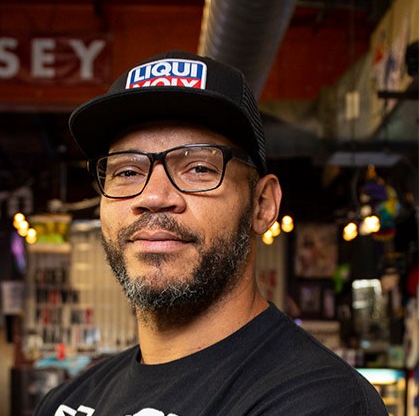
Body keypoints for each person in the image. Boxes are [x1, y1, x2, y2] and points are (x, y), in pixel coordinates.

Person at [34, 50, 388, 415]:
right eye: (127, 172)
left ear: (262, 205)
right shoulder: (65, 402)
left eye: (198, 168)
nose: (153, 197)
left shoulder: (321, 402)